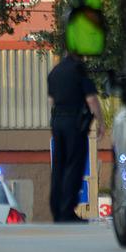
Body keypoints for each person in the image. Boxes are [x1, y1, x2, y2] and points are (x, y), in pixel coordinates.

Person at [47, 50, 104, 222]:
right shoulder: (79, 69)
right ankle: (67, 211)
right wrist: (100, 122)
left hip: (57, 123)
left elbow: (51, 100)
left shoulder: (54, 72)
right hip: (74, 124)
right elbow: (91, 99)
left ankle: (57, 210)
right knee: (74, 166)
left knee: (59, 167)